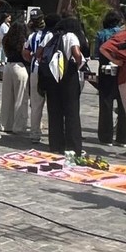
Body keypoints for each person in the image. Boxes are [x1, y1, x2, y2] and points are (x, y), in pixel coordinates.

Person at [40, 16, 84, 155]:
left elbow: (39, 53)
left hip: (52, 77)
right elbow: (77, 54)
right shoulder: (71, 36)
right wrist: (77, 65)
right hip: (68, 77)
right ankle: (73, 146)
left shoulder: (49, 36)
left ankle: (55, 144)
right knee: (71, 112)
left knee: (54, 111)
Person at [95, 9, 126, 146]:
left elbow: (98, 52)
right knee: (122, 105)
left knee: (106, 104)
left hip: (105, 70)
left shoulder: (101, 34)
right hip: (121, 70)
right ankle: (122, 138)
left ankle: (105, 137)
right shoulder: (121, 33)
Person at [23, 10, 53, 143]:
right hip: (50, 71)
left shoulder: (32, 36)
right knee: (52, 103)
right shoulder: (52, 35)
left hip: (35, 70)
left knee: (36, 104)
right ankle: (54, 133)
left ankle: (34, 133)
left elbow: (25, 53)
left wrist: (33, 61)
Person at [0, 20, 29, 135]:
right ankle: (19, 126)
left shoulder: (6, 39)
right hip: (20, 67)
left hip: (8, 66)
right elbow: (24, 55)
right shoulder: (23, 41)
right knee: (20, 98)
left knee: (7, 98)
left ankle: (6, 124)